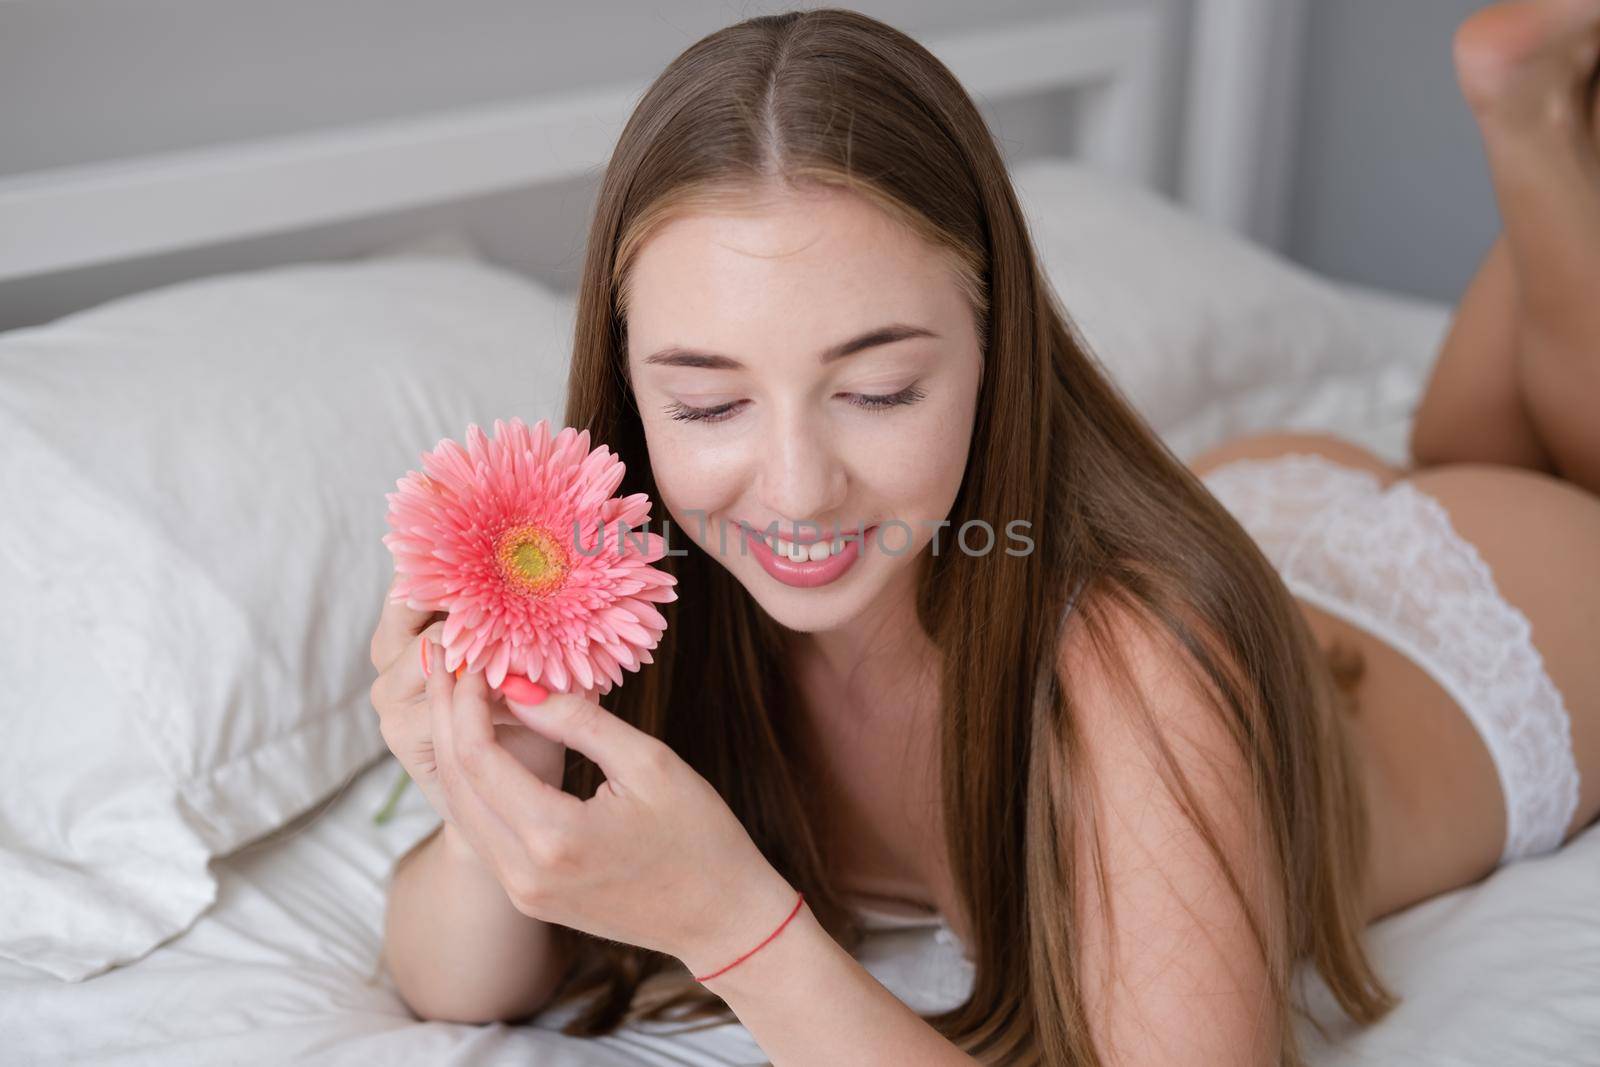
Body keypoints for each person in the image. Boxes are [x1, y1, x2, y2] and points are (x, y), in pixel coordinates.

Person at [367, 4, 1600, 1064]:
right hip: (1270, 504)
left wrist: (736, 925)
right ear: (630, 391)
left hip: (1486, 612)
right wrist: (498, 782)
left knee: (1529, 476)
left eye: (878, 390)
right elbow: (458, 984)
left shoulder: (1131, 665)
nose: (794, 490)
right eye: (708, 403)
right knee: (1460, 442)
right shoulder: (639, 593)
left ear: (996, 350)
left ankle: (1534, 131)